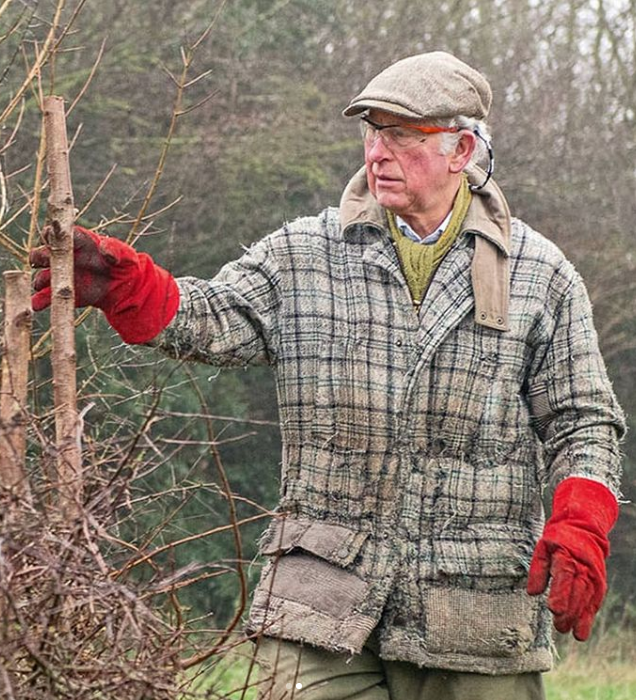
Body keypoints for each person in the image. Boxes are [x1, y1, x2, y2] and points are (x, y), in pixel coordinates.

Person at [30, 52, 624, 700]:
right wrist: (132, 287)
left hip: (477, 614)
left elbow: (583, 419)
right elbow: (216, 317)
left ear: (462, 149)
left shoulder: (539, 273)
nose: (378, 153)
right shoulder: (306, 254)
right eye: (373, 132)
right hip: (320, 602)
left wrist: (581, 522)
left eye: (404, 135)